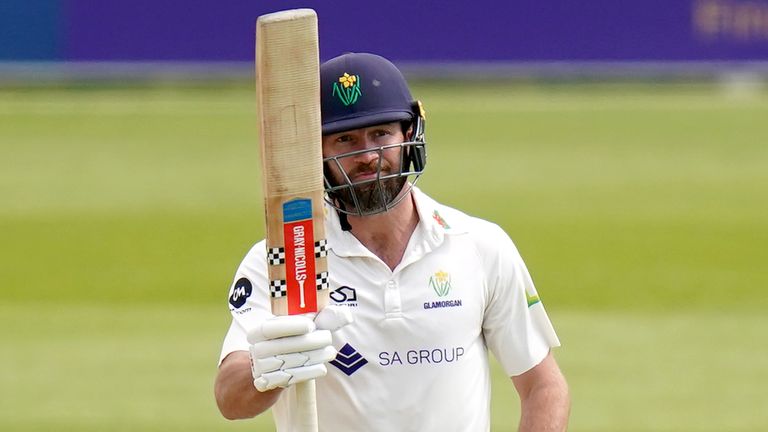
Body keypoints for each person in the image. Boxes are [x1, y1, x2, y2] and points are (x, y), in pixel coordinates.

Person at [214, 52, 570, 431]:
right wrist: (271, 368)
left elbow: (543, 387)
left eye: (381, 134)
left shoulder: (479, 245)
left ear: (409, 136)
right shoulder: (290, 257)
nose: (367, 156)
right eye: (345, 139)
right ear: (314, 154)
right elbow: (229, 397)